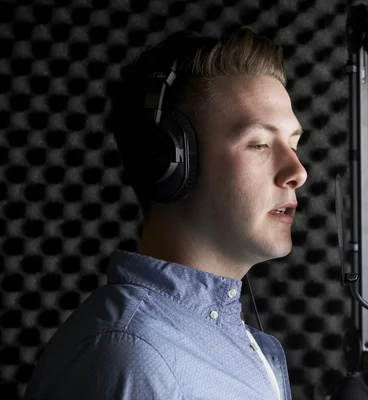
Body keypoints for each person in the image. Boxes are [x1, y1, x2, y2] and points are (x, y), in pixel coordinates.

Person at [23, 27, 307, 400]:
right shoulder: (131, 356)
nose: (298, 172)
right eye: (259, 144)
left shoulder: (215, 339)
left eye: (293, 143)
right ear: (170, 162)